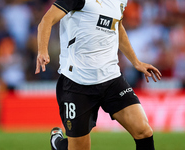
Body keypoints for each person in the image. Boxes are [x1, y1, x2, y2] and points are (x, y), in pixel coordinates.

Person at [35, 0, 162, 150]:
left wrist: (136, 62)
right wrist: (42, 50)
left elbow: (117, 27)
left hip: (111, 78)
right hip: (77, 82)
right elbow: (46, 20)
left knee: (143, 131)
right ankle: (58, 144)